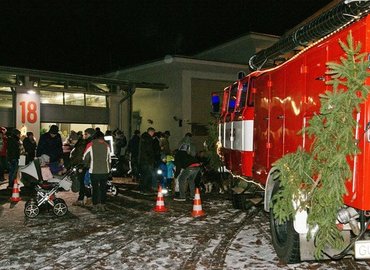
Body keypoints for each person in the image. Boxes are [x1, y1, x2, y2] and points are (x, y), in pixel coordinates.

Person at [83, 130, 111, 211]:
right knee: (103, 188)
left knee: (95, 188)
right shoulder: (107, 145)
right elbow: (109, 159)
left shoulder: (90, 144)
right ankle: (103, 204)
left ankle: (95, 205)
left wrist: (86, 164)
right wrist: (108, 169)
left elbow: (85, 157)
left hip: (94, 171)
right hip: (105, 170)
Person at [70, 128, 95, 206]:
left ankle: (86, 199)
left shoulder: (82, 144)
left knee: (83, 183)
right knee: (83, 183)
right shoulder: (84, 143)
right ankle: (83, 199)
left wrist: (80, 166)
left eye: (86, 134)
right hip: (84, 165)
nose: (84, 135)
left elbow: (80, 157)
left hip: (83, 166)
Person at [138, 127, 156, 193]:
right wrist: (150, 160)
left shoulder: (143, 138)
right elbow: (149, 151)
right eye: (153, 133)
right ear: (151, 132)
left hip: (142, 160)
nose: (153, 134)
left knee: (143, 175)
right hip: (147, 161)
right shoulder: (148, 139)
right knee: (148, 175)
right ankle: (146, 189)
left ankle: (142, 189)